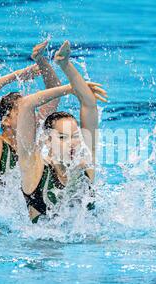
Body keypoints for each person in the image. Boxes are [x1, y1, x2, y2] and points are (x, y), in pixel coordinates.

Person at [15, 40, 108, 223]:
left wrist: (66, 64)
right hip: (41, 249)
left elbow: (89, 104)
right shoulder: (33, 168)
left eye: (75, 136)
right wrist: (68, 88)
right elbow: (26, 105)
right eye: (63, 137)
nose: (72, 142)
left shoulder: (85, 166)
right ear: (48, 140)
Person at [0, 40, 62, 200]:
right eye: (24, 110)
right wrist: (20, 74)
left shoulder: (31, 138)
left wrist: (41, 61)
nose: (32, 115)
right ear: (6, 120)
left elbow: (54, 93)